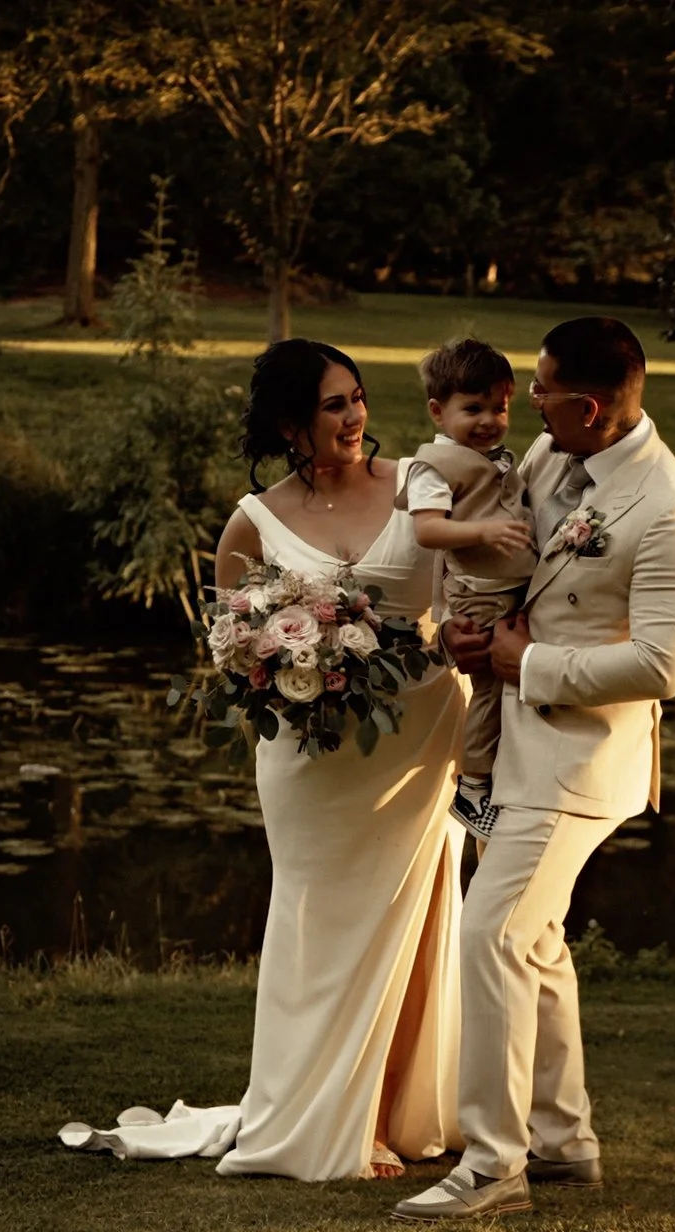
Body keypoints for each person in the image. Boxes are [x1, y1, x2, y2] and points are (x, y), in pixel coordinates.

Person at [59, 339, 469, 1182]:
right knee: (320, 927)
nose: (356, 416)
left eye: (357, 397)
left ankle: (392, 1109)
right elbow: (230, 644)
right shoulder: (257, 518)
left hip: (421, 740)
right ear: (291, 424)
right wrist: (290, 667)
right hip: (313, 758)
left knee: (410, 920)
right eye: (333, 405)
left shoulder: (420, 489)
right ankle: (322, 1113)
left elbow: (469, 595)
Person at [392, 317, 675, 1222]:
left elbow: (661, 665)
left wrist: (522, 666)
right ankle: (563, 1141)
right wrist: (467, 636)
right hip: (515, 750)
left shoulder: (671, 511)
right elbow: (509, 566)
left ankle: (494, 1166)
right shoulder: (549, 452)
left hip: (580, 762)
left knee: (490, 933)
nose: (524, 402)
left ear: (590, 404)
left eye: (540, 391)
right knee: (534, 945)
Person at [397, 338, 537, 840]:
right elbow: (428, 530)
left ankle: (502, 772)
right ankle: (474, 785)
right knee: (491, 686)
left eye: (499, 408)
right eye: (472, 408)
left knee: (514, 683)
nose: (489, 420)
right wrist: (483, 531)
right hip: (480, 593)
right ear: (438, 412)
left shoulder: (496, 458)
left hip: (509, 589)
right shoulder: (435, 467)